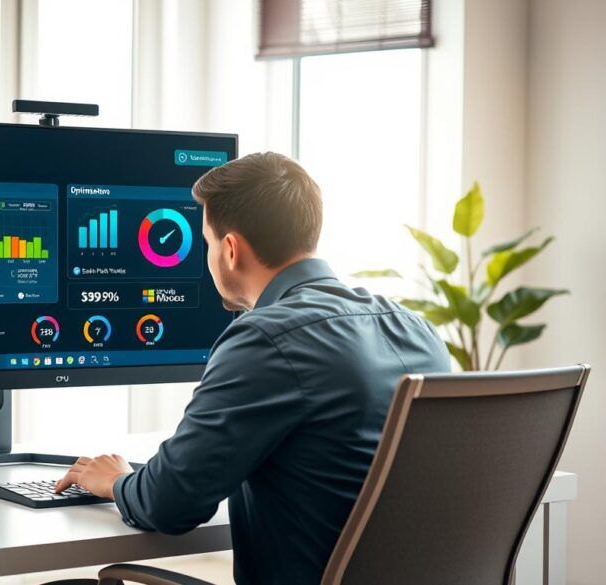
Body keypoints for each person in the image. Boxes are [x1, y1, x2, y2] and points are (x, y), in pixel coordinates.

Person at [54, 152, 451, 584]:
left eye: (206, 242)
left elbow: (170, 503)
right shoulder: (417, 329)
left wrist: (116, 481)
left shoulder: (266, 338)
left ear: (230, 249)